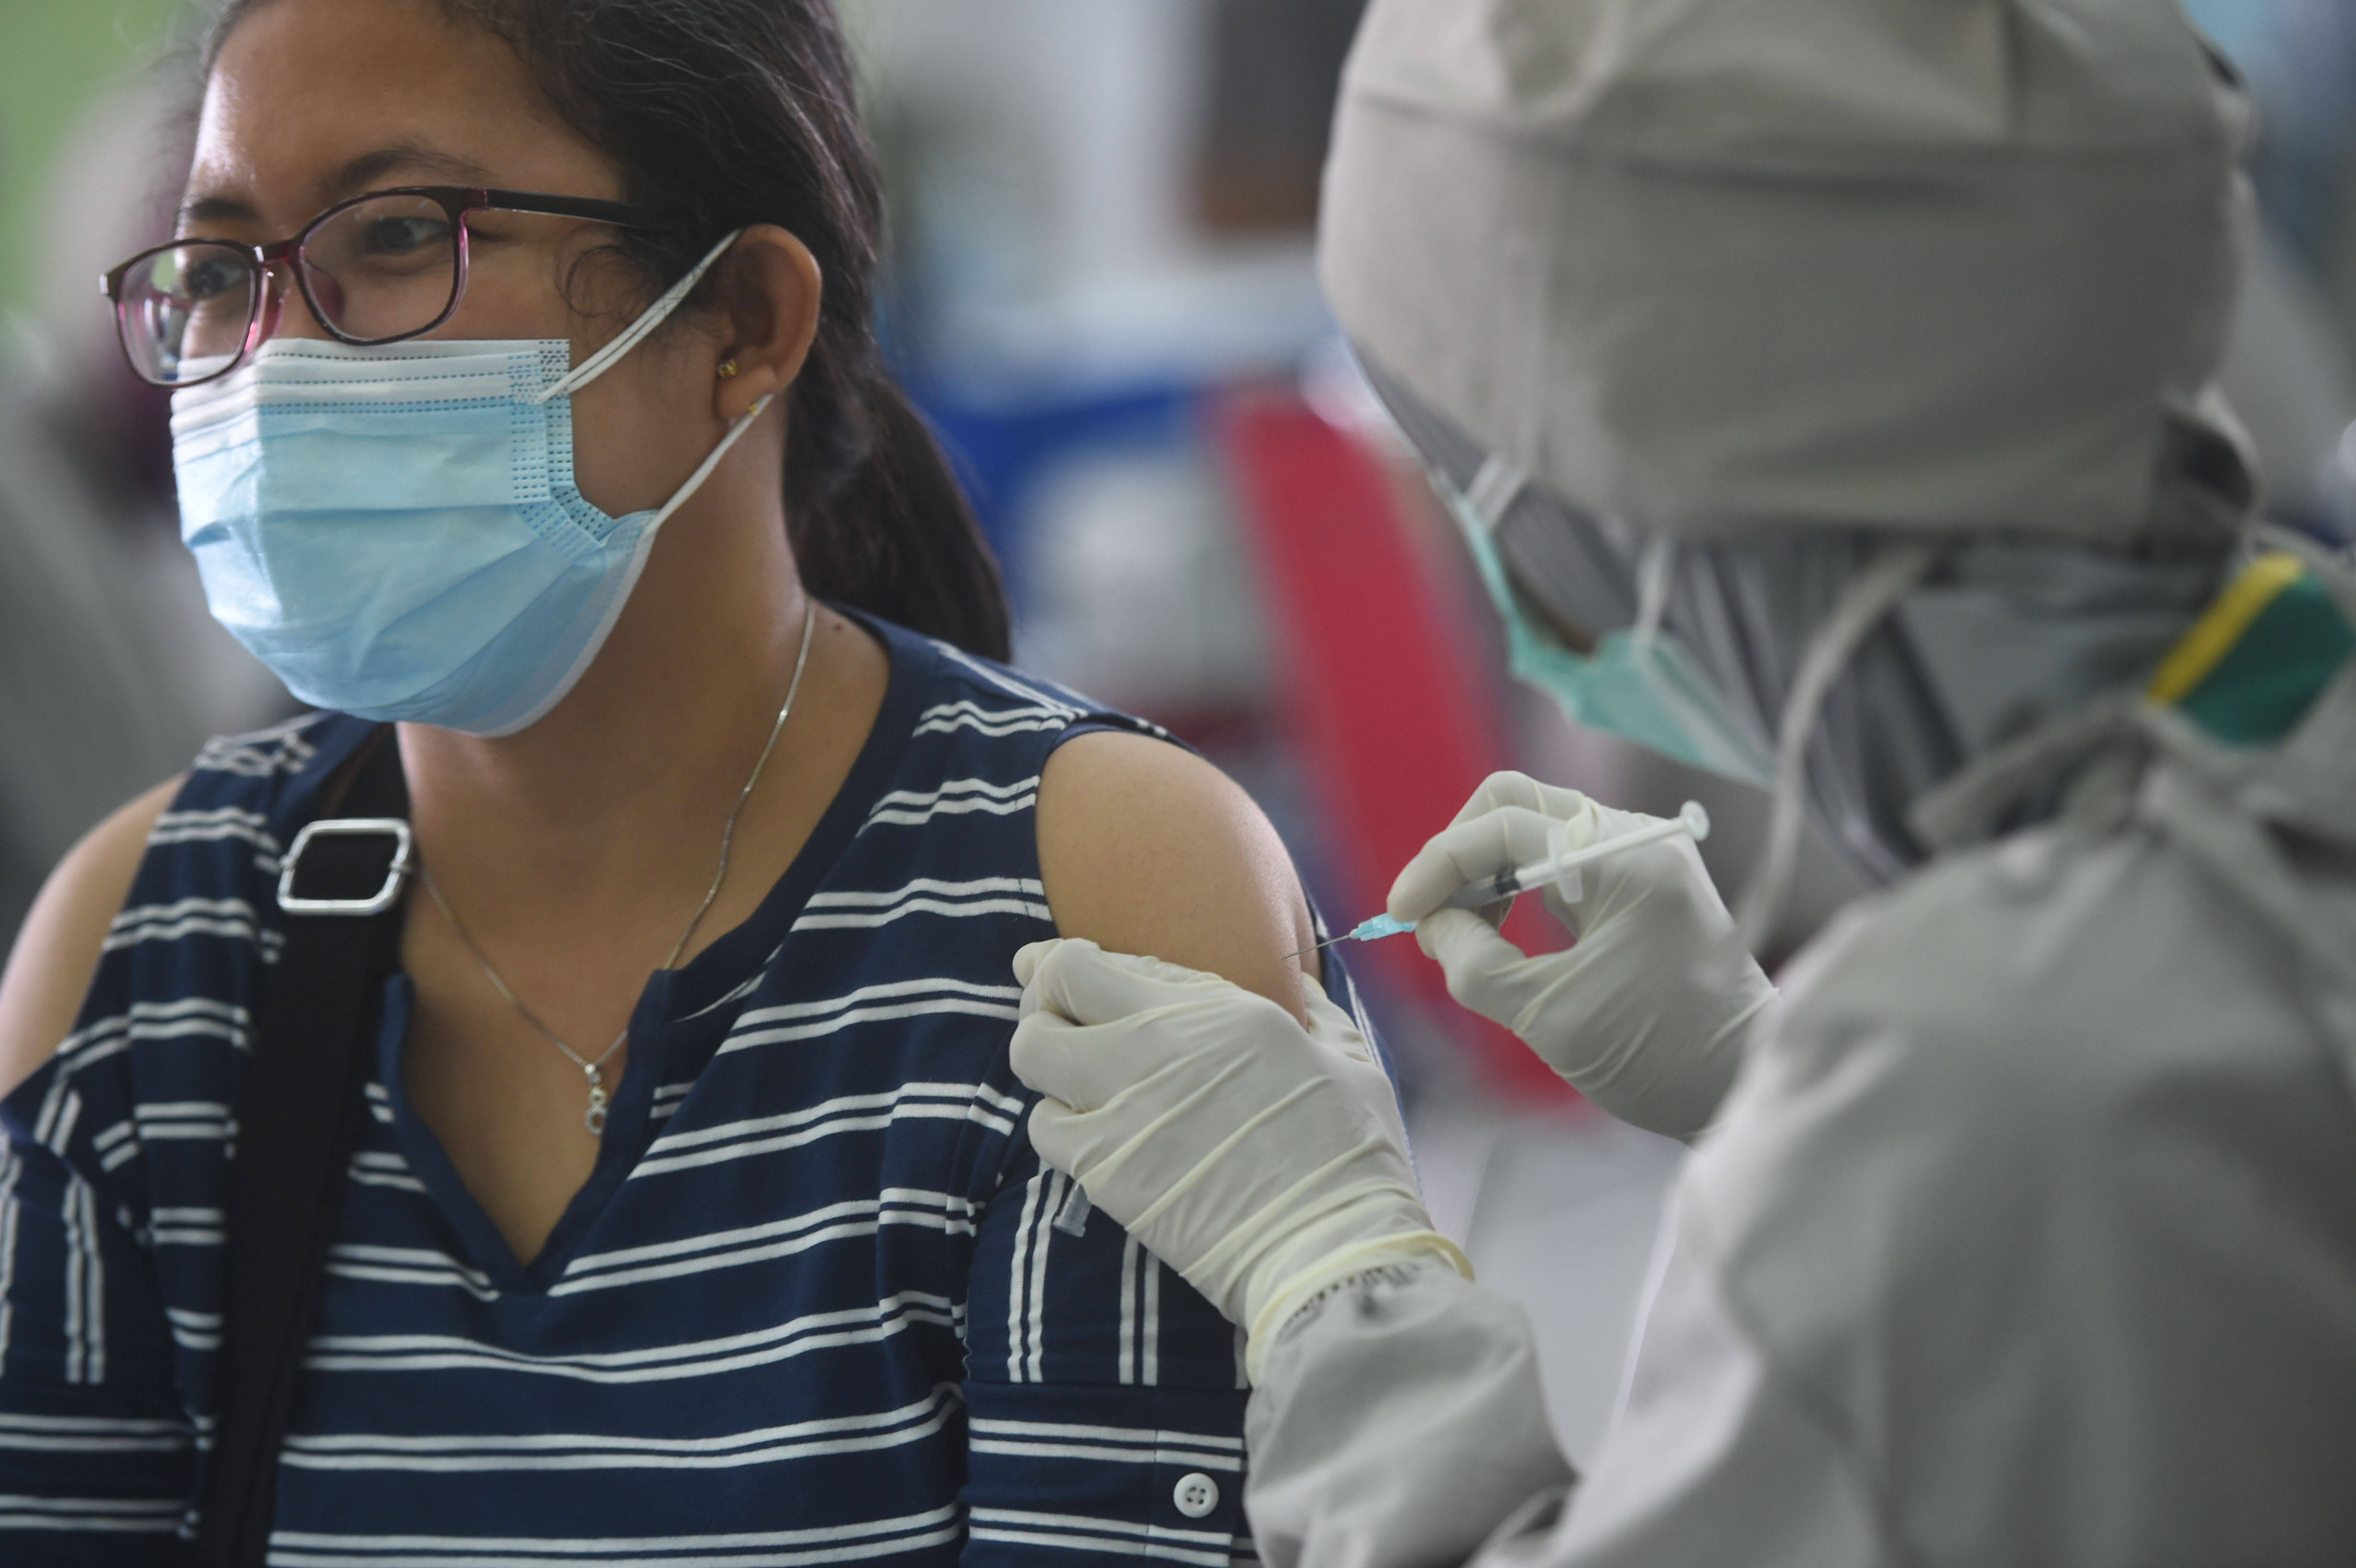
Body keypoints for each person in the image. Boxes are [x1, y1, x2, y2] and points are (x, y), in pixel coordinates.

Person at [1007, 0, 2356, 1564]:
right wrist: (1772, 1074)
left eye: (1478, 482)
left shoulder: (2001, 1080)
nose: (1502, 566)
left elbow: (2075, 1134)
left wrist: (1333, 1270)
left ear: (1654, 496)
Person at [0, 0, 1351, 1560]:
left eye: (395, 236)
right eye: (225, 271)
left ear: (744, 322)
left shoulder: (1083, 903)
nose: (278, 364)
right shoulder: (150, 951)